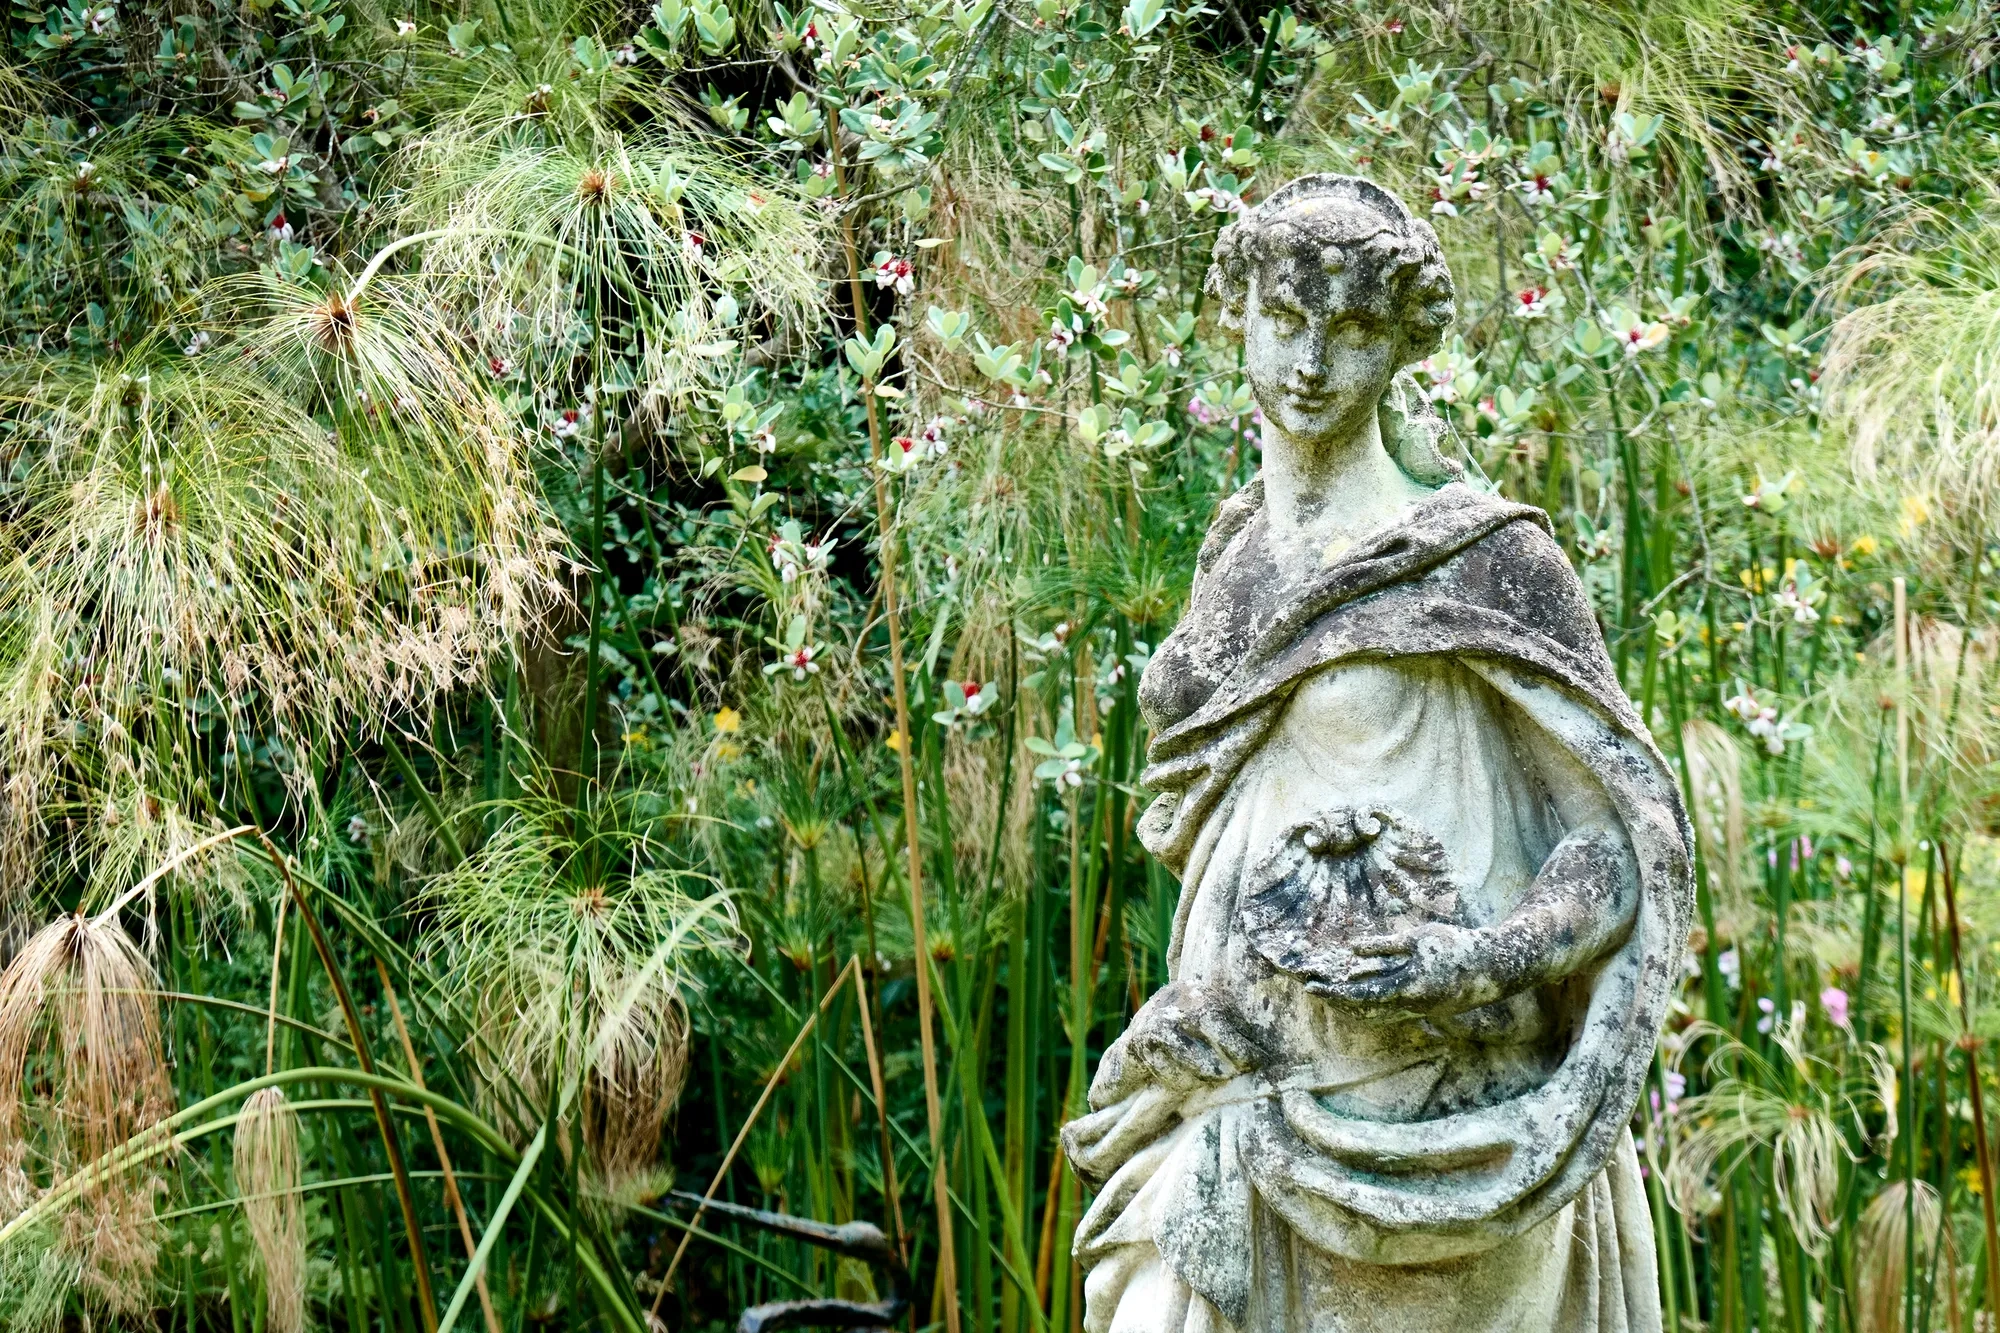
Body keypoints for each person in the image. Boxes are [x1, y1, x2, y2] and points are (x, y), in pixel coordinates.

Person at [1061, 175, 1693, 1333]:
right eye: (1286, 320)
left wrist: (1479, 957)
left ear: (1402, 341)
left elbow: (1615, 845)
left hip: (1438, 1116)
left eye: (1351, 330)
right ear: (1235, 316)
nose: (1309, 362)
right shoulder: (1232, 567)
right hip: (1237, 1080)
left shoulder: (1478, 562)